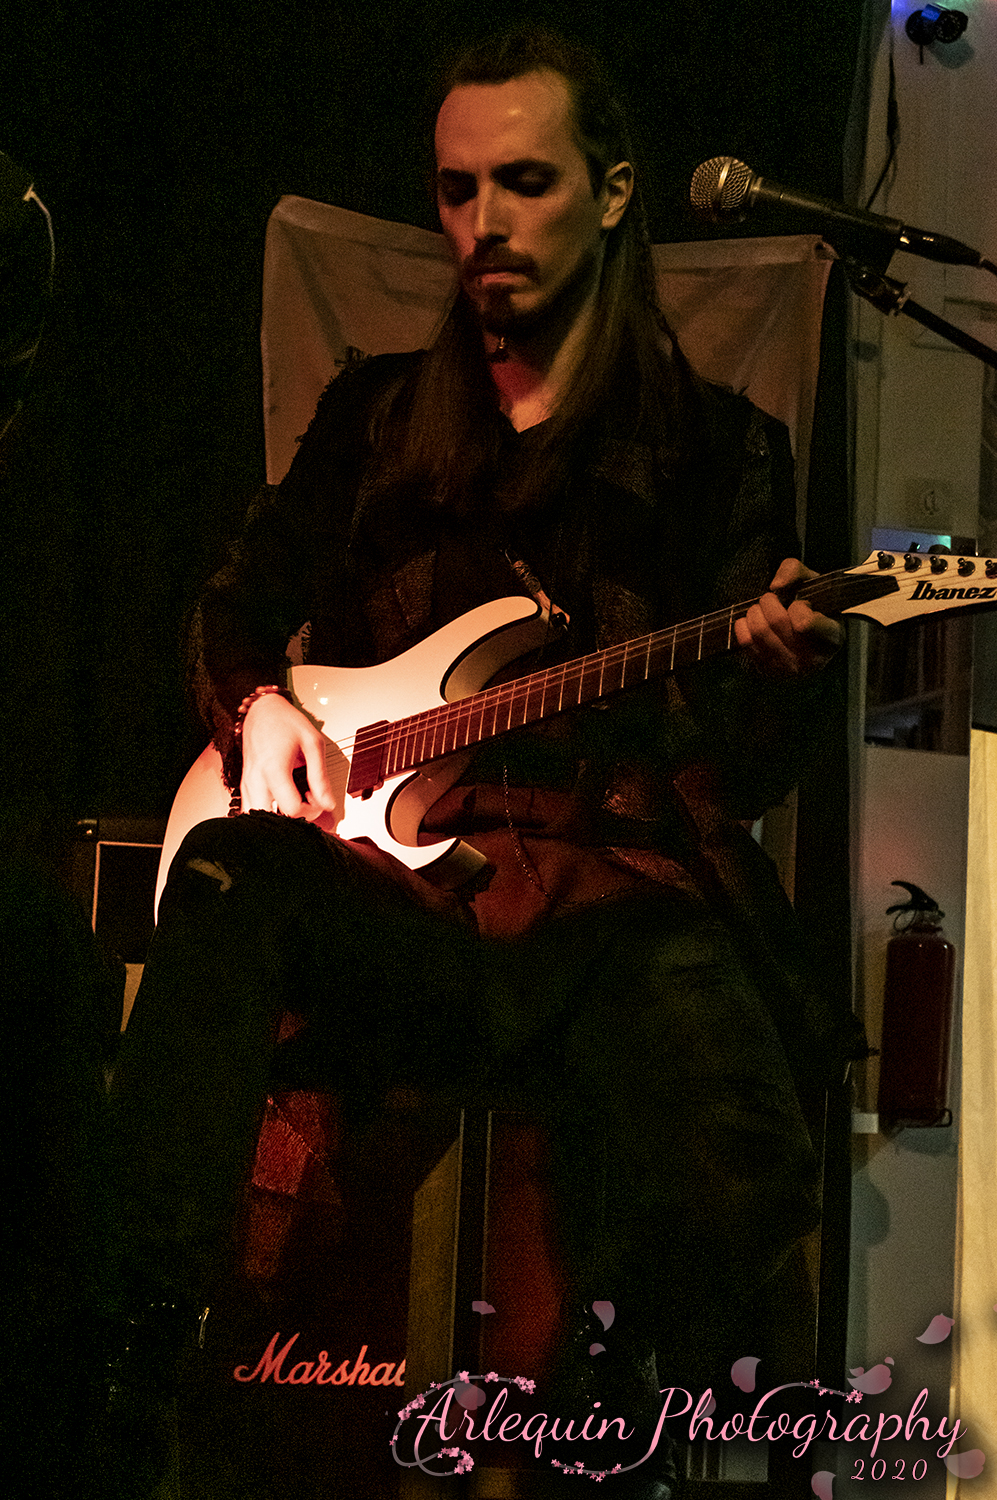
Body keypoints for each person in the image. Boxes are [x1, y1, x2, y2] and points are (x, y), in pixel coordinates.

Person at [97, 27, 862, 1499]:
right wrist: (255, 707)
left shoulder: (720, 452)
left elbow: (749, 772)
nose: (484, 224)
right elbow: (235, 597)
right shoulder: (378, 417)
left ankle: (619, 1426)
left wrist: (774, 675)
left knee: (744, 1154)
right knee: (228, 874)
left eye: (524, 182)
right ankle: (129, 1359)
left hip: (608, 902)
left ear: (615, 192)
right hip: (408, 904)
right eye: (457, 190)